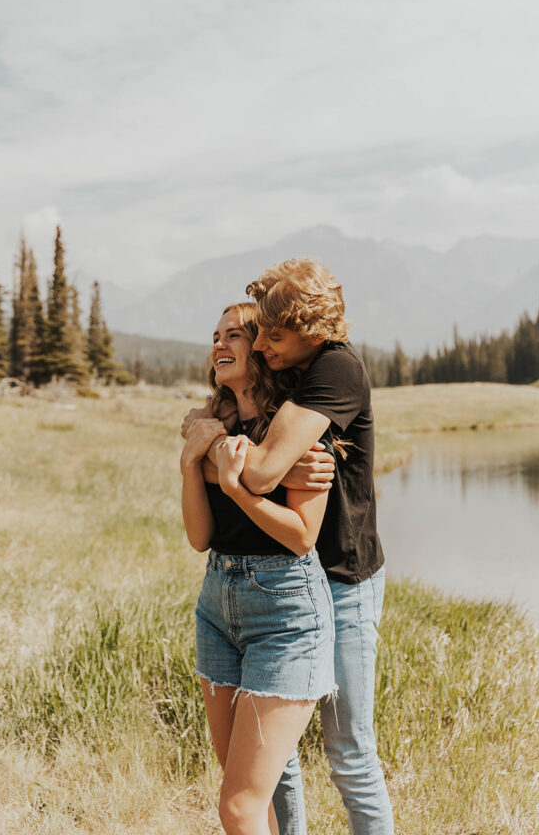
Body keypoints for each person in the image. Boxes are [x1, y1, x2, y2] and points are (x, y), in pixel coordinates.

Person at [189, 260, 394, 835]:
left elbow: (261, 472)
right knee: (274, 765)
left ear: (313, 329)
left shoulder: (335, 369)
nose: (259, 344)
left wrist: (209, 449)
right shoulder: (287, 371)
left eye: (269, 335)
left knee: (349, 750)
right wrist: (209, 435)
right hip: (283, 575)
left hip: (339, 576)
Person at [180, 301, 337, 835]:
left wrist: (233, 487)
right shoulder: (212, 424)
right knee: (247, 795)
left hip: (286, 610)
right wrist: (189, 464)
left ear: (263, 346)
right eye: (215, 335)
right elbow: (201, 538)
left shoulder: (290, 428)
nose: (220, 345)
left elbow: (301, 536)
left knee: (238, 807)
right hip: (217, 606)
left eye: (234, 335)